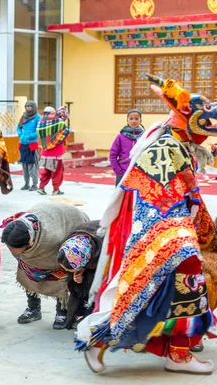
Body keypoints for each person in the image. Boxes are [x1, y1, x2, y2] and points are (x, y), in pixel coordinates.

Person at [76, 75, 217, 375]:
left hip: (175, 229)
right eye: (204, 107)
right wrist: (190, 230)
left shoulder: (180, 144)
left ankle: (179, 350)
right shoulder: (165, 146)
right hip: (161, 230)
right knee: (164, 286)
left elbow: (188, 193)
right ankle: (103, 341)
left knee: (181, 287)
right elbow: (162, 197)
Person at [0, 201, 89, 329]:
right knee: (28, 270)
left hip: (69, 220)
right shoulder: (16, 228)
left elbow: (65, 260)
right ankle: (33, 308)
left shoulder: (52, 239)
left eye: (14, 249)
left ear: (29, 243)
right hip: (47, 213)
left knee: (63, 273)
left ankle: (62, 311)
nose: (12, 252)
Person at [57, 220, 102, 330]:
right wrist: (79, 274)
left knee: (94, 282)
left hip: (104, 260)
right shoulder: (70, 244)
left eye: (75, 269)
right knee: (74, 283)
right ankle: (80, 313)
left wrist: (84, 274)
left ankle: (92, 312)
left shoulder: (105, 246)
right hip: (86, 259)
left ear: (85, 261)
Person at [37, 106, 70, 196]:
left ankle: (41, 187)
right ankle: (56, 189)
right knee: (57, 172)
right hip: (56, 153)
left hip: (45, 152)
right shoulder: (60, 122)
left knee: (46, 171)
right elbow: (64, 136)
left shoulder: (41, 122)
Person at [109, 109, 144, 186]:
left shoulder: (144, 137)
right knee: (121, 197)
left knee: (136, 197)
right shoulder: (120, 137)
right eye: (131, 119)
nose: (133, 121)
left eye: (136, 119)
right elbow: (112, 155)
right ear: (127, 120)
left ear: (140, 120)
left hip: (140, 173)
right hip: (123, 172)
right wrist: (119, 172)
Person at [17, 100, 41, 191]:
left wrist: (30, 136)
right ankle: (26, 183)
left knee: (32, 165)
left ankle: (34, 184)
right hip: (23, 143)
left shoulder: (38, 117)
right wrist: (20, 134)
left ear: (33, 107)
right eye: (27, 107)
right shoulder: (23, 116)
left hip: (32, 144)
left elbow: (39, 130)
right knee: (24, 165)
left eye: (30, 107)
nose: (28, 108)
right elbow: (18, 127)